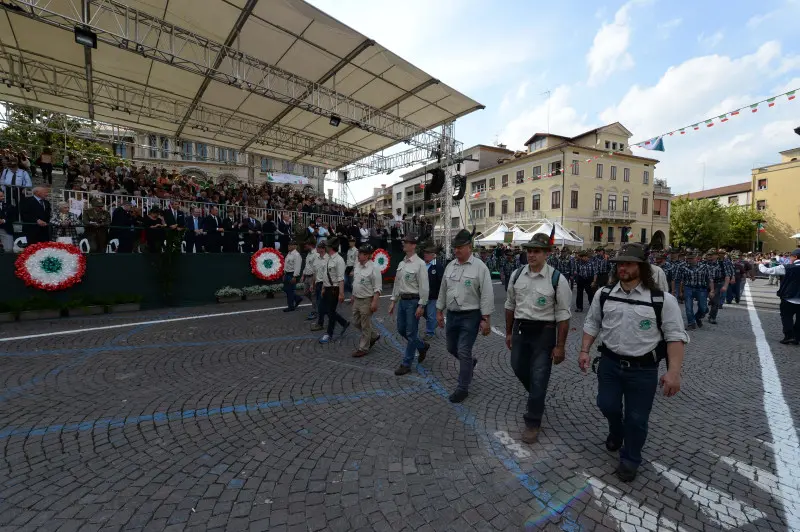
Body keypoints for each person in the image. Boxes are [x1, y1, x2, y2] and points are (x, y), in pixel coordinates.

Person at [579, 243, 688, 482]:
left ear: (642, 267)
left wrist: (674, 372)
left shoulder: (663, 300)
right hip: (609, 364)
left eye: (628, 263)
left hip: (643, 370)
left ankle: (630, 457)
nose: (622, 268)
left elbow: (675, 337)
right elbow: (592, 324)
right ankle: (616, 431)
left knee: (637, 418)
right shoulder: (604, 294)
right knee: (607, 405)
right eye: (619, 264)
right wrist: (585, 350)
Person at [504, 233, 572, 441]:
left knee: (540, 376)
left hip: (544, 333)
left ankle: (533, 421)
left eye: (536, 251)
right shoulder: (517, 275)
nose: (531, 255)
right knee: (518, 367)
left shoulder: (557, 279)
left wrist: (560, 346)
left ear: (546, 254)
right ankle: (537, 396)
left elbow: (563, 315)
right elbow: (509, 306)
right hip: (521, 331)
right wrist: (508, 332)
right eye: (529, 251)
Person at [435, 229, 494, 403]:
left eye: (460, 247)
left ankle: (463, 388)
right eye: (455, 248)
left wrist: (486, 319)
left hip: (471, 316)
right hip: (452, 314)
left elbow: (487, 295)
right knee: (451, 348)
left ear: (469, 247)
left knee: (463, 349)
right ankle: (469, 362)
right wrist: (439, 311)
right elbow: (443, 290)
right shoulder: (450, 266)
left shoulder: (480, 267)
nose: (456, 251)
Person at [389, 234, 430, 376]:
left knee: (411, 333)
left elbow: (424, 287)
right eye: (404, 242)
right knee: (401, 329)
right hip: (402, 301)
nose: (404, 244)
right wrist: (393, 301)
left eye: (407, 242)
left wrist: (421, 305)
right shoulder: (402, 263)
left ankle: (406, 363)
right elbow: (397, 283)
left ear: (413, 245)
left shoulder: (420, 264)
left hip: (413, 301)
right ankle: (422, 345)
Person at [759, 248, 800, 345]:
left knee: (786, 317)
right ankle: (797, 337)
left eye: (791, 257)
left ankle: (788, 336)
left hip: (788, 297)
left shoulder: (787, 267)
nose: (790, 258)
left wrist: (760, 264)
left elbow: (766, 270)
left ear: (795, 257)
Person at [350, 244, 383, 357]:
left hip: (366, 300)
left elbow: (377, 288)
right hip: (357, 299)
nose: (358, 255)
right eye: (359, 253)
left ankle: (363, 348)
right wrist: (353, 295)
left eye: (361, 254)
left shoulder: (374, 268)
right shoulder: (357, 265)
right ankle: (373, 335)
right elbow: (356, 281)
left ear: (367, 255)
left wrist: (374, 302)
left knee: (365, 325)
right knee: (356, 322)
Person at [318, 238, 350, 344]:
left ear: (330, 247)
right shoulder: (329, 258)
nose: (325, 247)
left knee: (330, 312)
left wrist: (341, 294)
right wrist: (323, 287)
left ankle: (329, 334)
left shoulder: (339, 260)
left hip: (334, 289)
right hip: (327, 288)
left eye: (326, 246)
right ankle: (344, 322)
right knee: (326, 310)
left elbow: (341, 278)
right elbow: (325, 275)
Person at [675, 251, 714, 330]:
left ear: (697, 258)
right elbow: (682, 281)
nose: (690, 260)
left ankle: (697, 317)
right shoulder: (683, 267)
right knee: (688, 307)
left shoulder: (705, 266)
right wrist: (680, 291)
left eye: (692, 258)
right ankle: (691, 323)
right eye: (688, 258)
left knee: (703, 308)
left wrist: (712, 290)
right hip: (688, 288)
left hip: (701, 289)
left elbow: (710, 279)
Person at [423, 243, 444, 340]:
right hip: (423, 295)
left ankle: (429, 332)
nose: (425, 255)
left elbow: (442, 281)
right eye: (425, 253)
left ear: (433, 255)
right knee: (425, 313)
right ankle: (434, 323)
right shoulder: (422, 265)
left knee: (430, 314)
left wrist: (441, 295)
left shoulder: (437, 266)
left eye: (427, 253)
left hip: (433, 296)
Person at [707, 249, 733, 324]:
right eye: (709, 255)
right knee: (708, 301)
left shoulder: (722, 264)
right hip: (705, 284)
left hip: (717, 284)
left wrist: (725, 286)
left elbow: (727, 276)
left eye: (712, 255)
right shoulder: (704, 263)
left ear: (716, 256)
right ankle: (705, 311)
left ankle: (712, 317)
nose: (710, 256)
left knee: (715, 301)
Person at [310, 241, 329, 330]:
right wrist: (312, 284)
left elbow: (328, 274)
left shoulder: (328, 259)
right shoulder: (316, 258)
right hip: (318, 283)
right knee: (321, 304)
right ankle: (336, 320)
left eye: (318, 247)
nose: (316, 249)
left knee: (322, 305)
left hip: (324, 284)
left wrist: (324, 287)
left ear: (322, 249)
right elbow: (314, 272)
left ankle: (320, 323)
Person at [283, 240, 303, 312]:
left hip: (292, 274)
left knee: (290, 290)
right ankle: (297, 298)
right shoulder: (289, 254)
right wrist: (284, 273)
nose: (289, 246)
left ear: (295, 246)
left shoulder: (296, 255)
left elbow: (297, 267)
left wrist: (295, 276)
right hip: (287, 273)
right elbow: (286, 264)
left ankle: (291, 306)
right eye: (289, 245)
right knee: (286, 289)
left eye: (291, 245)